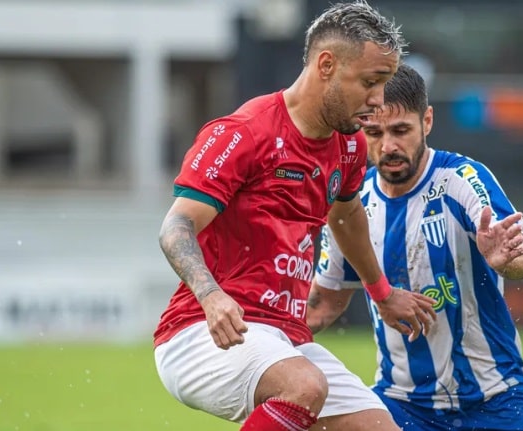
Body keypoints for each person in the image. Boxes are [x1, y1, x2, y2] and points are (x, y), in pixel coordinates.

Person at [152, 2, 437, 430]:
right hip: (201, 331)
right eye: (370, 82)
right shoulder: (245, 133)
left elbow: (346, 217)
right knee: (303, 386)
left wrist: (381, 292)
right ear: (326, 65)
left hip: (284, 337)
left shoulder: (350, 147)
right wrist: (210, 296)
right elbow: (176, 226)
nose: (378, 102)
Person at [308, 64, 523, 430]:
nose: (388, 146)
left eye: (401, 130)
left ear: (427, 121)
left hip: (495, 398)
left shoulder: (463, 180)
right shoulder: (351, 202)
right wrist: (264, 342)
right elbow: (325, 302)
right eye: (374, 132)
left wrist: (506, 259)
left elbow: (522, 260)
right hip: (400, 405)